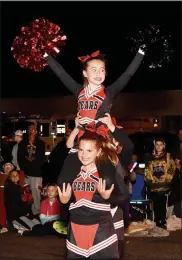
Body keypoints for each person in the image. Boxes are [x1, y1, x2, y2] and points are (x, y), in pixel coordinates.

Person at [57, 131, 127, 260]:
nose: (84, 155)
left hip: (102, 234)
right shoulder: (71, 172)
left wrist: (108, 198)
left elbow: (124, 196)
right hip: (76, 234)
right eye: (81, 150)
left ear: (99, 152)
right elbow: (69, 200)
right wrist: (64, 200)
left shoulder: (107, 172)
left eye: (89, 151)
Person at [44, 48, 145, 129]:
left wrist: (140, 54)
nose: (98, 73)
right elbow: (61, 73)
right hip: (83, 138)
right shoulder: (79, 91)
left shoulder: (109, 92)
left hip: (103, 138)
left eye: (102, 70)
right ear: (85, 73)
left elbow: (127, 74)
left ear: (105, 73)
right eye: (94, 70)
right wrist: (46, 55)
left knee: (128, 147)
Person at [144, 138, 176, 229]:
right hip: (154, 186)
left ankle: (162, 221)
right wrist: (151, 181)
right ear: (154, 146)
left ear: (164, 146)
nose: (159, 146)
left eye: (160, 144)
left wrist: (166, 180)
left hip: (164, 186)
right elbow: (147, 171)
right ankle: (157, 221)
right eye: (157, 144)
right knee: (155, 204)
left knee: (162, 204)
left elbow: (171, 169)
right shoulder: (150, 157)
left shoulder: (167, 157)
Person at [18, 124, 45, 216]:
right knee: (25, 192)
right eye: (30, 129)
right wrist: (24, 167)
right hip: (25, 172)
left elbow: (41, 158)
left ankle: (36, 212)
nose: (31, 131)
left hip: (36, 172)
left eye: (33, 129)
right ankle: (26, 211)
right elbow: (20, 157)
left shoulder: (41, 144)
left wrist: (33, 161)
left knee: (35, 192)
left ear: (36, 131)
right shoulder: (22, 143)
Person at [0, 162, 14, 232]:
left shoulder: (15, 176)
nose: (7, 167)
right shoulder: (1, 176)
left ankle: (5, 225)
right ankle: (3, 225)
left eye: (9, 165)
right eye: (6, 165)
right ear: (3, 168)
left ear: (12, 168)